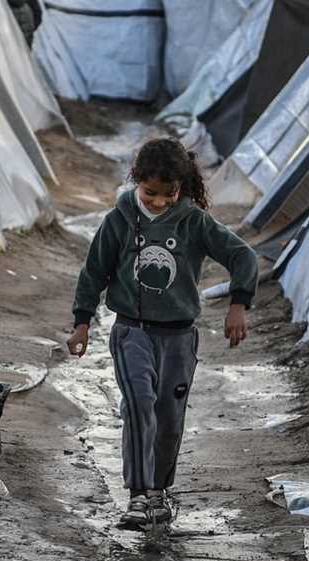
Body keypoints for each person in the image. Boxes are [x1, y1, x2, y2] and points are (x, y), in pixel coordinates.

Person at [67, 137, 258, 529]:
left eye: (167, 194)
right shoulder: (119, 220)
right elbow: (94, 271)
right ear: (136, 181)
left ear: (181, 188)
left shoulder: (193, 221)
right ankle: (137, 496)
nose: (157, 202)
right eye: (149, 192)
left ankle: (159, 492)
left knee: (168, 417)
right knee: (139, 404)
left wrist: (239, 304)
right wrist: (82, 322)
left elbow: (242, 255)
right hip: (131, 332)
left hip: (179, 338)